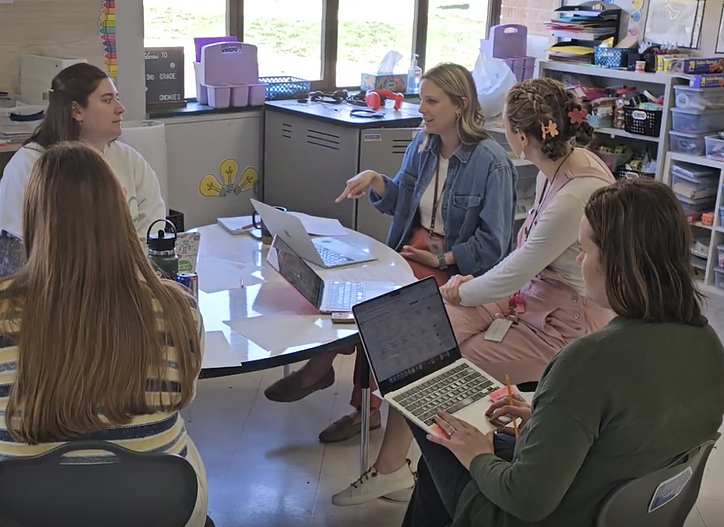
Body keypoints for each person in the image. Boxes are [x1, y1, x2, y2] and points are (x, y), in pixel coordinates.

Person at [331, 77, 616, 506]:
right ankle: (395, 468)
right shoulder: (554, 167)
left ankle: (464, 473)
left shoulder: (575, 190)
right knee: (415, 341)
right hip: (524, 294)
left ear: (520, 136)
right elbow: (519, 263)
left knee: (445, 366)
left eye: (432, 100)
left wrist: (458, 288)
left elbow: (514, 263)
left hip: (560, 320)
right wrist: (462, 288)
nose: (423, 108)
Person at [402, 177, 724, 527]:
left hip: (533, 515)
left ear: (618, 263)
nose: (580, 260)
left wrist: (478, 456)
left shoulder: (586, 362)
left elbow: (525, 500)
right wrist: (549, 421)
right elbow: (628, 433)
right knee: (441, 468)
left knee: (434, 425)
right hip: (613, 505)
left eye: (585, 250)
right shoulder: (707, 344)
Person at [0, 142, 207, 527]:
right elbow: (182, 391)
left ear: (33, 218)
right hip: (154, 509)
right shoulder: (177, 308)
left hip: (17, 512)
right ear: (121, 213)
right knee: (188, 450)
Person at [264, 63, 517, 447]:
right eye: (423, 99)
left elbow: (494, 247)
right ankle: (328, 375)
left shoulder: (491, 162)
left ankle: (352, 402)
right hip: (411, 248)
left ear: (460, 105)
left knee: (381, 311)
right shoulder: (424, 144)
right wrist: (377, 180)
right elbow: (401, 202)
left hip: (456, 265)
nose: (422, 109)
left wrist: (444, 260)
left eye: (432, 102)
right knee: (348, 289)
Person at [0, 62, 166, 239]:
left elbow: (153, 231)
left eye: (117, 98)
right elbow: (16, 247)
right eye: (107, 100)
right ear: (76, 110)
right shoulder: (29, 165)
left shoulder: (129, 159)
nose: (120, 108)